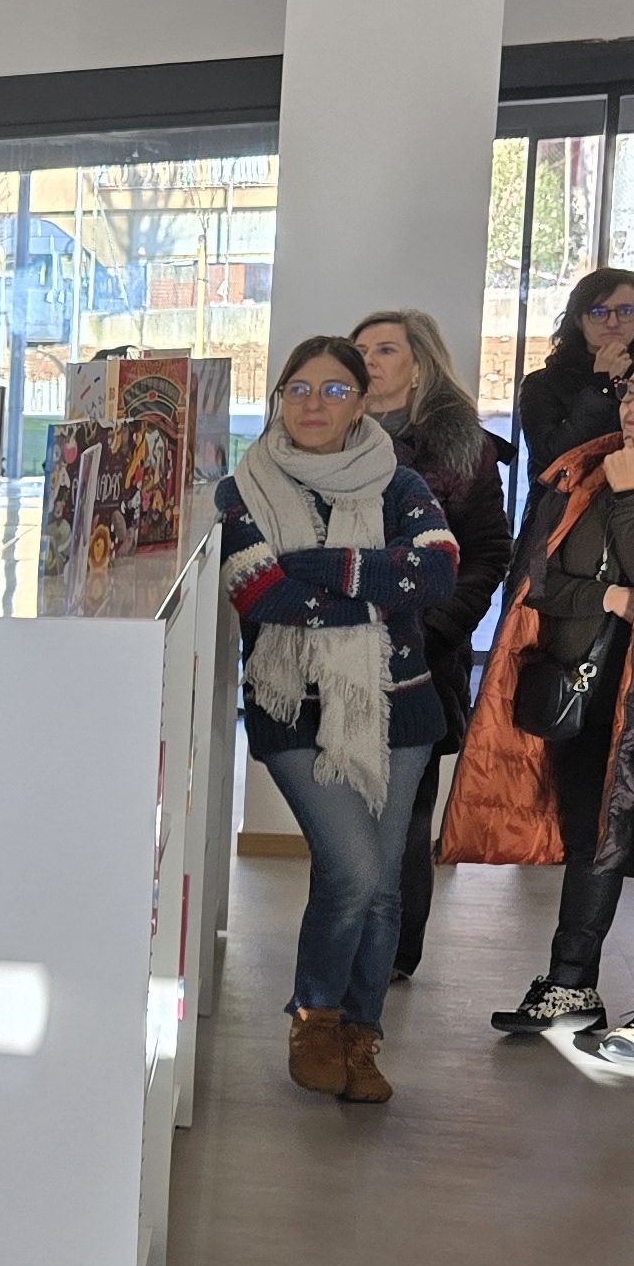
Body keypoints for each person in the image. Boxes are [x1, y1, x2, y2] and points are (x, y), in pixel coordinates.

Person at [446, 330, 634, 1062]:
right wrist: (604, 595)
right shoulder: (589, 468)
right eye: (633, 388)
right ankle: (571, 983)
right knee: (590, 841)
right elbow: (542, 582)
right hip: (582, 685)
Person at [221, 335, 462, 1107]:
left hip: (404, 707)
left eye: (332, 390)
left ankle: (363, 1034)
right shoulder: (240, 491)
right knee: (355, 870)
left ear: (363, 401)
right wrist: (375, 578)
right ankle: (314, 1015)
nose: (312, 404)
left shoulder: (401, 482)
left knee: (384, 887)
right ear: (276, 400)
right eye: (297, 388)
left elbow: (436, 571)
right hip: (294, 709)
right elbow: (263, 598)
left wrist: (318, 565)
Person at [353, 309, 511, 979]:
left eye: (385, 349)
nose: (368, 361)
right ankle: (343, 938)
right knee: (343, 809)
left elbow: (489, 552)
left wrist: (440, 622)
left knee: (405, 817)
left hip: (422, 654)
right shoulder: (329, 436)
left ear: (420, 362)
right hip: (334, 649)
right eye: (358, 349)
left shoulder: (461, 446)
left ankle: (391, 953)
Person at [516, 268, 634, 470]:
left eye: (625, 311)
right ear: (579, 319)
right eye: (598, 312)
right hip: (567, 499)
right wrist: (601, 384)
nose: (613, 322)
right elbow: (553, 457)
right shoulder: (543, 383)